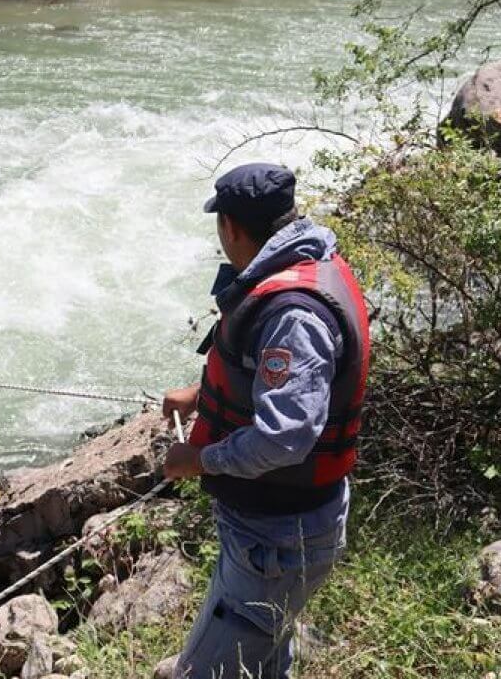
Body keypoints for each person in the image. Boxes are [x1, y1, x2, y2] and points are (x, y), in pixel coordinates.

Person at [160, 163, 370, 678]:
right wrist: (201, 394)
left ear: (230, 226)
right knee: (263, 663)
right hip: (276, 531)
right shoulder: (310, 265)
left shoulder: (292, 312)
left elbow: (286, 438)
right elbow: (279, 382)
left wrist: (199, 459)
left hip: (276, 536)